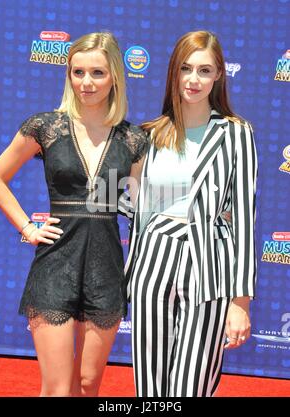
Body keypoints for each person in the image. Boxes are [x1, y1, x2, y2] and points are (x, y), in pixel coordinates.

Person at [0, 32, 147, 397]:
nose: (86, 83)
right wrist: (28, 227)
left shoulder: (134, 140)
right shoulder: (45, 127)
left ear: (115, 78)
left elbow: (137, 203)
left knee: (89, 385)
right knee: (59, 390)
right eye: (78, 73)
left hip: (106, 265)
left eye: (97, 73)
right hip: (55, 265)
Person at [125, 30, 258, 397]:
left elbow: (245, 217)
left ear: (218, 75)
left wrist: (240, 302)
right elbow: (134, 203)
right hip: (154, 258)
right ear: (173, 72)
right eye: (186, 68)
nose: (193, 79)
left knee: (192, 385)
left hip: (211, 261)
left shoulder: (236, 134)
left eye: (204, 70)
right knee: (150, 386)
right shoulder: (150, 134)